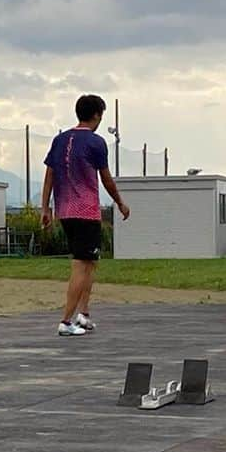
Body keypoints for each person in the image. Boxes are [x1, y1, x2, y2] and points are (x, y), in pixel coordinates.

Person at [41, 94, 131, 337]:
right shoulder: (96, 142)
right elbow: (106, 178)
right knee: (81, 265)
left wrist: (45, 207)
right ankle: (66, 320)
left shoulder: (59, 140)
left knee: (91, 262)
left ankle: (84, 313)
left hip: (65, 211)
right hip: (86, 212)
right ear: (97, 115)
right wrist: (120, 202)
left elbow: (49, 174)